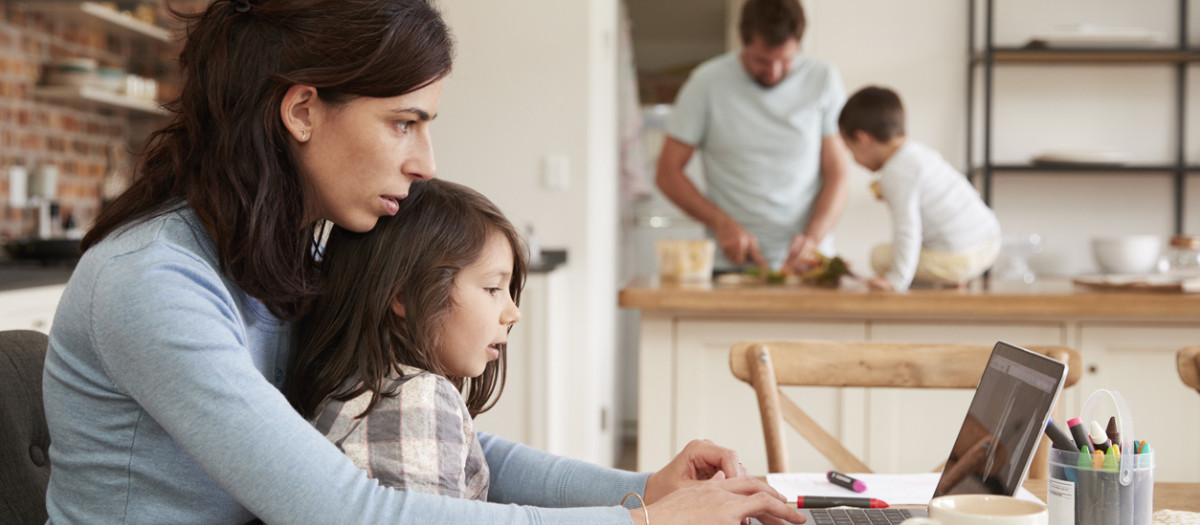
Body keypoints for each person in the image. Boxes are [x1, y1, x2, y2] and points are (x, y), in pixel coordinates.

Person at [40, 0, 805, 523]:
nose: (425, 161)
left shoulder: (285, 257)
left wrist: (644, 487)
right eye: (404, 123)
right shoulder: (154, 281)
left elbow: (447, 440)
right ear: (302, 110)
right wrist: (639, 519)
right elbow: (341, 509)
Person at [287, 179, 524, 500]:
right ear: (406, 296)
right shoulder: (419, 398)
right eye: (493, 289)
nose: (513, 313)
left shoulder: (356, 387)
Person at [656, 0, 850, 274]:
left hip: (808, 265)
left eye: (785, 60)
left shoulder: (823, 79)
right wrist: (720, 222)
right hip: (730, 264)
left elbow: (838, 173)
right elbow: (667, 173)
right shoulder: (705, 84)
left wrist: (812, 239)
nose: (773, 72)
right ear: (742, 40)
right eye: (761, 60)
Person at [837, 86, 1001, 292]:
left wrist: (896, 279)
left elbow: (907, 229)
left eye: (850, 149)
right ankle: (951, 276)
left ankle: (946, 276)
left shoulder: (895, 172)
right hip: (989, 243)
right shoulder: (918, 154)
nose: (854, 159)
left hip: (959, 258)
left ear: (862, 139)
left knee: (880, 257)